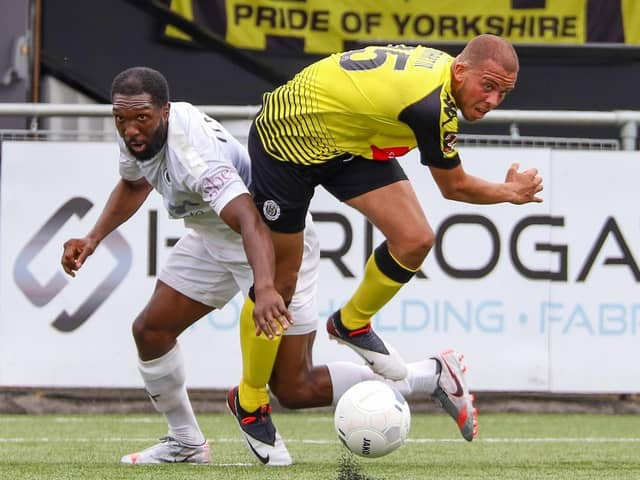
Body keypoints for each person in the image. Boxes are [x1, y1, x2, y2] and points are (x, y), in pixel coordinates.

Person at [60, 66, 467, 467]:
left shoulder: (195, 157)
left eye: (140, 118)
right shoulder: (137, 133)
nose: (130, 128)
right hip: (212, 237)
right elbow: (134, 183)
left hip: (276, 245)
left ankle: (428, 376)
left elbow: (252, 221)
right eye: (121, 118)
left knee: (294, 387)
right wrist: (93, 237)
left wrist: (268, 287)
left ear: (164, 111)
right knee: (151, 331)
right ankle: (185, 442)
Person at [235, 33, 543, 455]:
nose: (492, 101)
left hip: (346, 138)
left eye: (503, 93)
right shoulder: (431, 105)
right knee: (280, 282)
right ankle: (250, 399)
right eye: (487, 87)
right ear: (459, 70)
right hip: (286, 142)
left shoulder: (444, 77)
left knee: (415, 239)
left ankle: (351, 323)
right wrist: (510, 192)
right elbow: (454, 188)